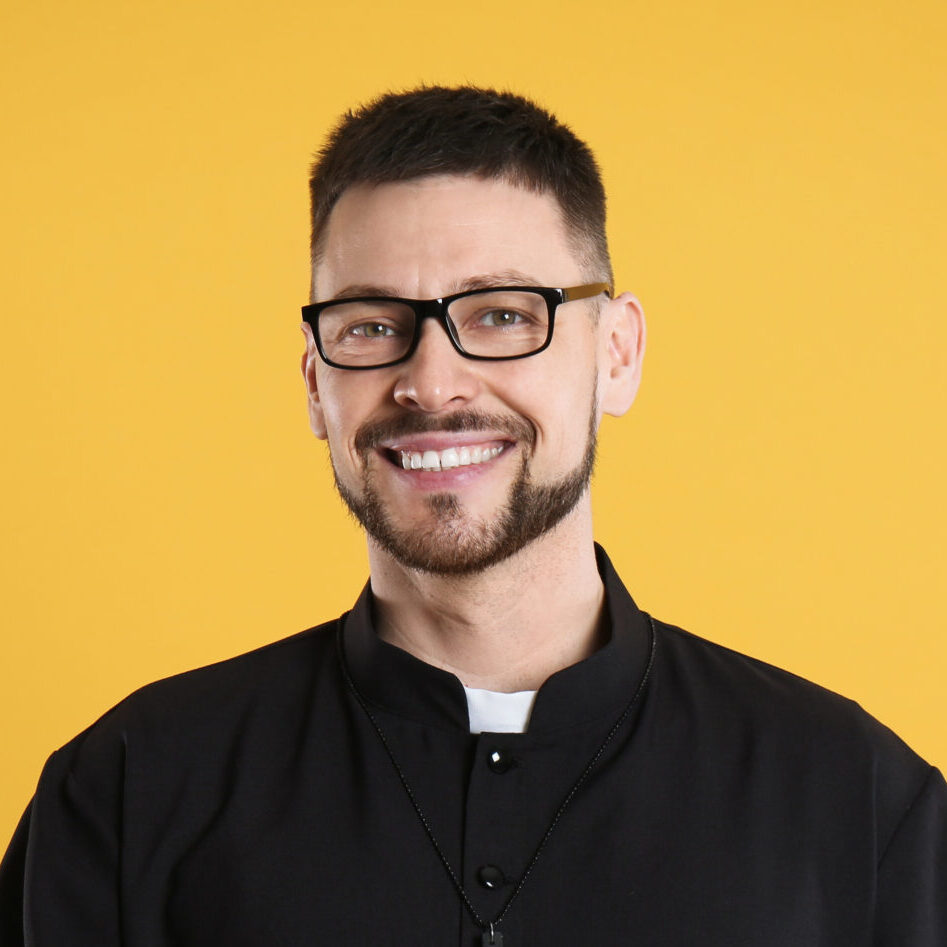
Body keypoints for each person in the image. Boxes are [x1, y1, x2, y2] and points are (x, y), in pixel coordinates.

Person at [1, 86, 944, 946]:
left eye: (500, 314)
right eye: (371, 324)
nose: (430, 382)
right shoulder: (125, 789)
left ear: (615, 354)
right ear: (314, 383)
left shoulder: (858, 804)